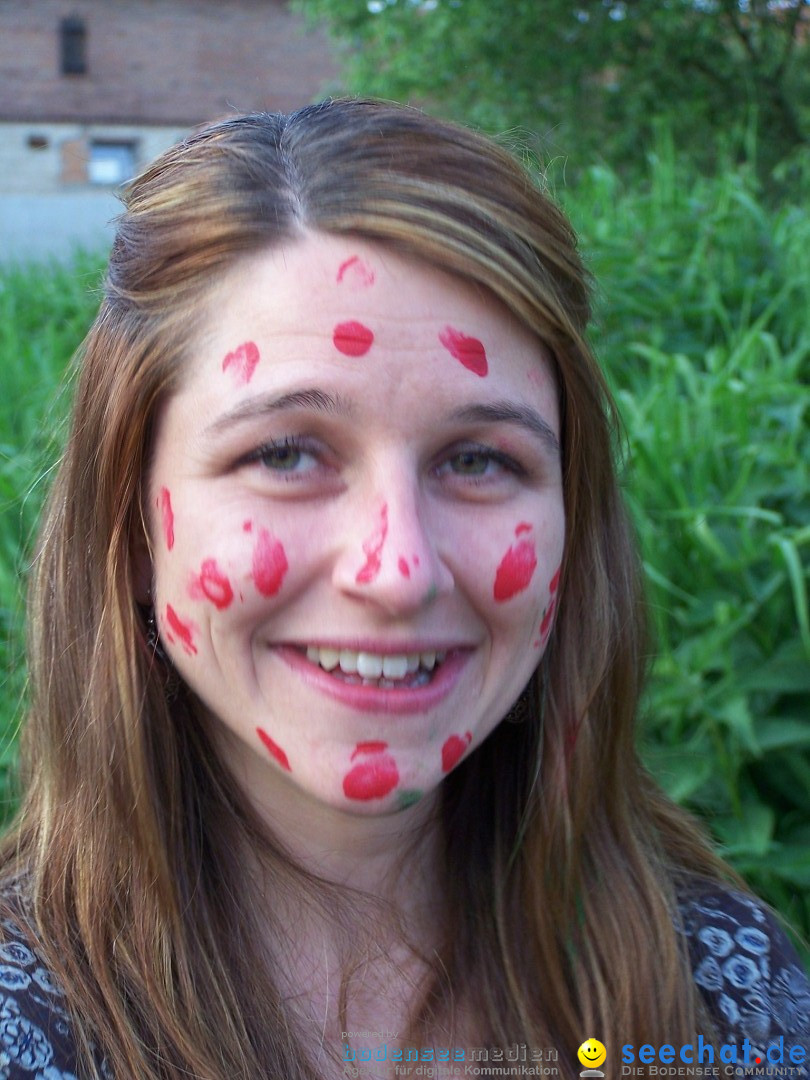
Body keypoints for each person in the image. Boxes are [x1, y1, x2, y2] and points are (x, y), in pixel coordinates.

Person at [0, 99, 807, 1080]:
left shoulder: (730, 999)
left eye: (479, 459)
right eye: (287, 452)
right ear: (129, 529)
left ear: (569, 524)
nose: (398, 571)